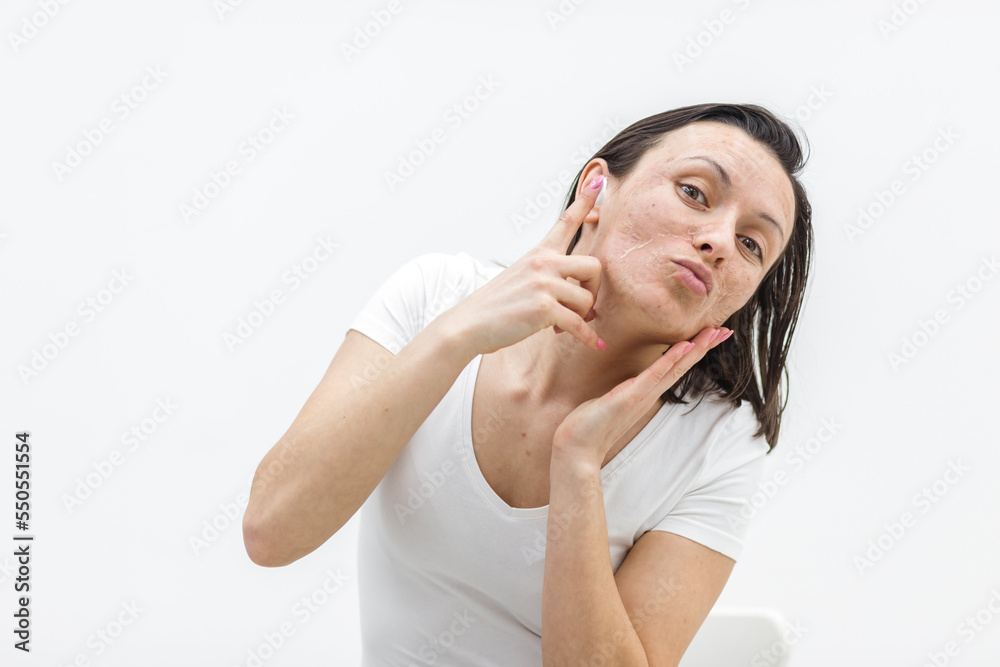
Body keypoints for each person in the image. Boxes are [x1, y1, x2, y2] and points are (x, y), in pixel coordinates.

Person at [243, 102, 814, 665]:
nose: (720, 240)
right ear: (596, 189)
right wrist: (456, 336)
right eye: (693, 192)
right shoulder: (437, 296)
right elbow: (271, 533)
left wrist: (579, 463)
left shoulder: (719, 441)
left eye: (751, 244)